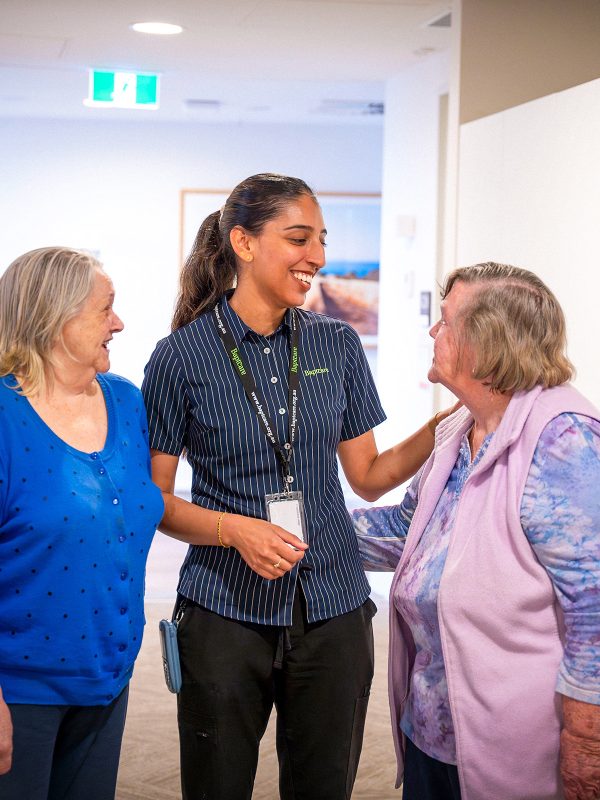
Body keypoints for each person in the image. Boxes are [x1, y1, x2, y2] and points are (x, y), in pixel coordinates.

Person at [141, 173, 455, 800]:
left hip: (332, 607)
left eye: (321, 240)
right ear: (244, 243)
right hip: (225, 608)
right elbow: (158, 500)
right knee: (217, 785)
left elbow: (366, 478)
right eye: (298, 238)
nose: (317, 256)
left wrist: (448, 423)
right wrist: (235, 531)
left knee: (323, 787)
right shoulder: (181, 356)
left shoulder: (335, 343)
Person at [353, 262, 600, 800]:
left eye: (444, 322)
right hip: (432, 726)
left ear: (486, 341)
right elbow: (407, 531)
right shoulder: (460, 428)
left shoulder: (564, 439)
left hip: (517, 742)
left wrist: (587, 737)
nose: (432, 332)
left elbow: (594, 603)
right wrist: (301, 533)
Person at [0, 247, 164, 799]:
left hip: (106, 678)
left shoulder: (125, 402)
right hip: (19, 690)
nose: (118, 323)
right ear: (55, 318)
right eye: (105, 309)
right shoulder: (4, 420)